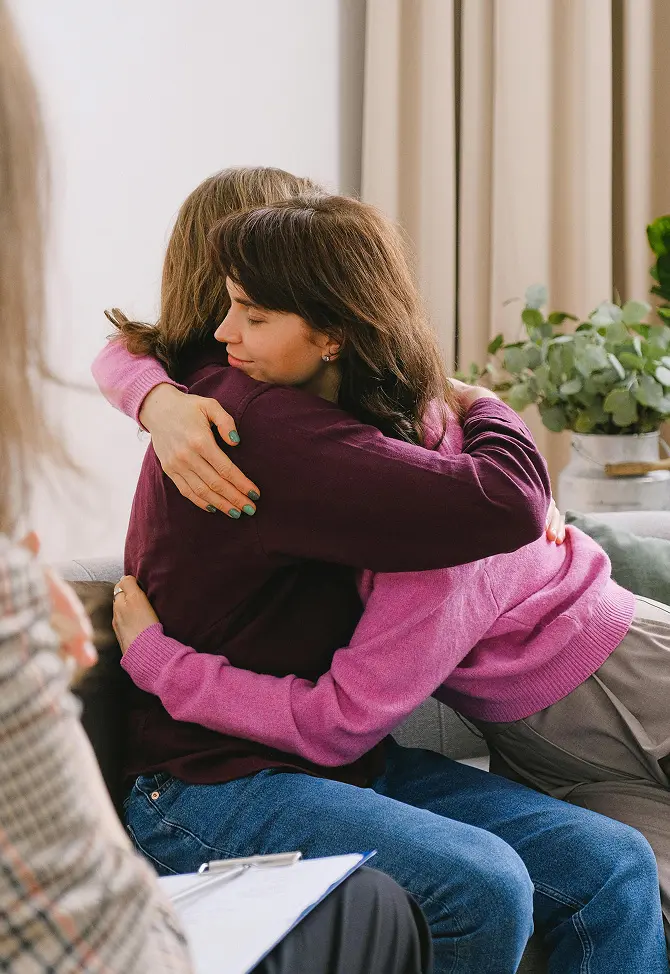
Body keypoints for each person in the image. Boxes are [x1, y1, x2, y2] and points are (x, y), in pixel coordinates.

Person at [97, 187, 668, 973]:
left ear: (334, 321)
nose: (229, 332)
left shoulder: (348, 424)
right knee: (483, 883)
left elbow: (497, 501)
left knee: (613, 863)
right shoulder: (253, 422)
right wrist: (159, 661)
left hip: (346, 763)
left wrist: (150, 393)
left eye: (254, 311)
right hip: (211, 782)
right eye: (234, 304)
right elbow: (506, 501)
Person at [0, 9, 434, 973]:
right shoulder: (251, 413)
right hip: (226, 771)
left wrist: (150, 394)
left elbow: (127, 347)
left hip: (267, 756)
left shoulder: (235, 397)